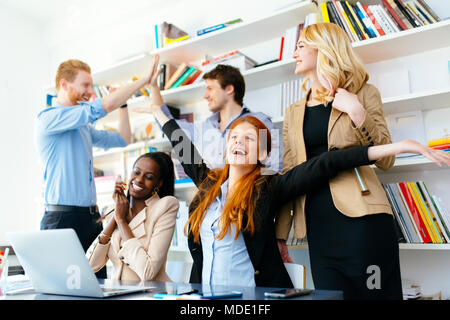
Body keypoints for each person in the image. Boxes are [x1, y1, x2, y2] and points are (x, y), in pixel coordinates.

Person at [150, 104, 449, 288]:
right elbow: (182, 145)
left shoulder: (270, 188)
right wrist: (155, 108)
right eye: (235, 138)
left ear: (264, 153)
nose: (239, 143)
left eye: (249, 139)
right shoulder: (209, 182)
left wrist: (398, 147)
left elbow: (328, 163)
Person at [274, 22, 408, 299]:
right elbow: (290, 175)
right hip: (317, 225)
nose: (294, 54)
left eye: (300, 46)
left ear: (323, 47)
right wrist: (280, 234)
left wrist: (356, 111)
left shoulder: (363, 92)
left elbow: (387, 158)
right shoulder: (293, 111)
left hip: (364, 221)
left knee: (376, 295)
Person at [35, 55, 160, 278]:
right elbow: (100, 107)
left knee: (97, 286)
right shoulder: (48, 118)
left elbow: (123, 138)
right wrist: (143, 81)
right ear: (64, 84)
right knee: (60, 288)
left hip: (90, 219)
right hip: (62, 220)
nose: (90, 91)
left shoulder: (83, 126)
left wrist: (123, 105)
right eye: (85, 85)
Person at [139, 61, 282, 174]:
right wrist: (154, 87)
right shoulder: (204, 127)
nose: (205, 95)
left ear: (229, 89)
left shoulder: (260, 122)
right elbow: (169, 126)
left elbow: (274, 166)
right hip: (212, 204)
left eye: (210, 88)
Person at [88, 152, 179, 281]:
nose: (139, 179)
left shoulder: (165, 206)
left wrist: (121, 222)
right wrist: (116, 215)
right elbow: (91, 265)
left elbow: (147, 272)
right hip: (118, 294)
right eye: (136, 172)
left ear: (158, 184)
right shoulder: (115, 211)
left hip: (150, 295)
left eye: (148, 177)